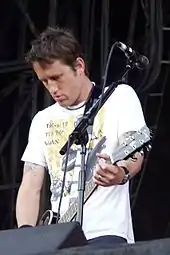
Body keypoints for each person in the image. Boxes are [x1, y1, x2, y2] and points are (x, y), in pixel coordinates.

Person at [16, 26, 147, 248]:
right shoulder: (42, 119)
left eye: (57, 77)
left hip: (106, 233)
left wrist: (121, 172)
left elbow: (136, 150)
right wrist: (26, 237)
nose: (52, 88)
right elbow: (31, 184)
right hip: (57, 237)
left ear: (79, 66)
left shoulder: (119, 98)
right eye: (45, 81)